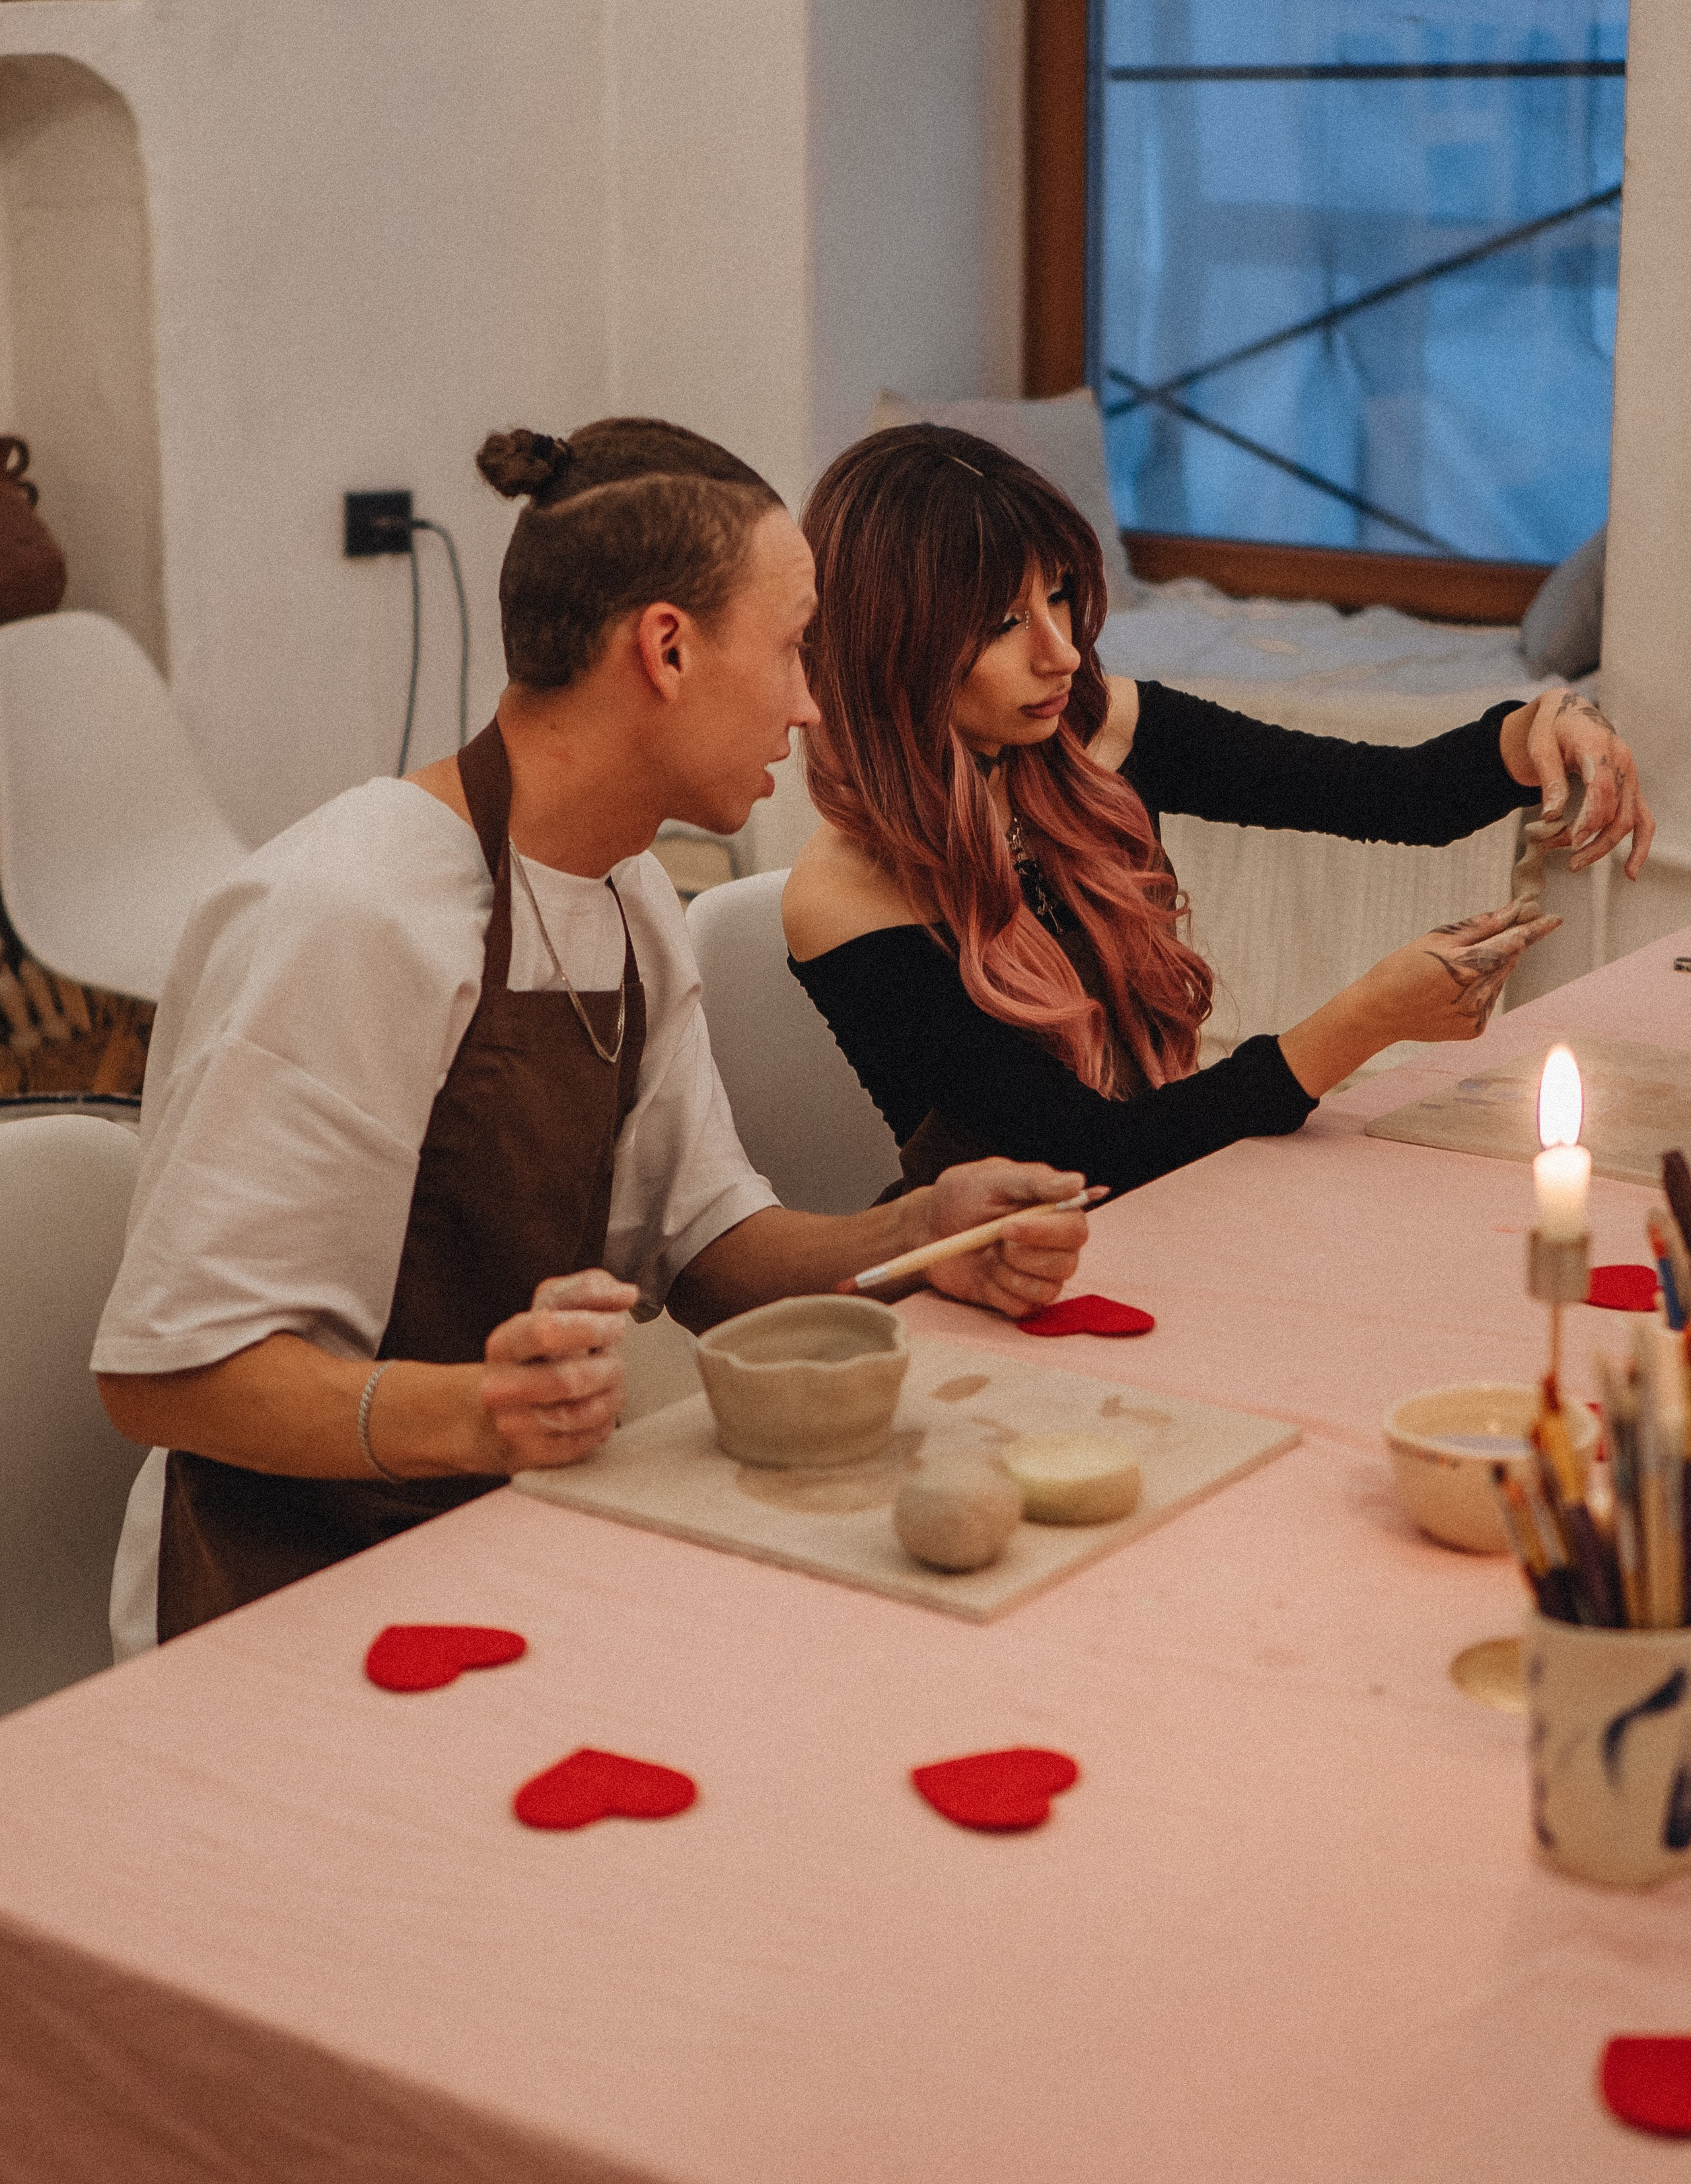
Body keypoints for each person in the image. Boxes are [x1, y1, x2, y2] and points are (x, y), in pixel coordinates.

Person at [94, 418, 1089, 1653]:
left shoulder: (625, 899)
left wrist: (918, 1234)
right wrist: (475, 1415)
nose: (810, 705)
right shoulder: (347, 917)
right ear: (665, 649)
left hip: (498, 1539)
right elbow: (163, 1376)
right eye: (790, 651)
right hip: (281, 1595)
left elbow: (707, 1244)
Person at [782, 423, 1654, 1195]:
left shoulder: (1102, 733)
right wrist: (1363, 1021)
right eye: (1005, 621)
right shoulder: (846, 895)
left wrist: (1543, 726)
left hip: (1171, 1198)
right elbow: (1086, 1158)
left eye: (1058, 596)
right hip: (996, 1270)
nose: (1060, 652)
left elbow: (1391, 795)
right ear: (895, 644)